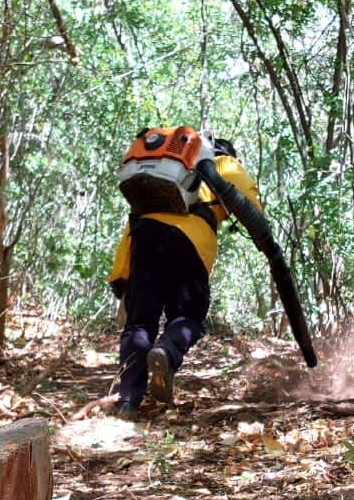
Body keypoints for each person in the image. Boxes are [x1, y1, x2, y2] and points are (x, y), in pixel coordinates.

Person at [107, 129, 261, 418]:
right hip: (189, 242)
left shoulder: (164, 175)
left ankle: (127, 400)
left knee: (139, 322)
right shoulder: (223, 164)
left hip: (145, 236)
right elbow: (251, 205)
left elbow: (131, 226)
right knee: (188, 316)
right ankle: (167, 350)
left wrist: (120, 275)